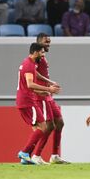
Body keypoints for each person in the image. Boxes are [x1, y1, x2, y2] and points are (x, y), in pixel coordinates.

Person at [16, 42, 60, 165]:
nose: (43, 55)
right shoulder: (29, 65)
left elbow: (28, 85)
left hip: (24, 100)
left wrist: (42, 91)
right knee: (43, 127)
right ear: (35, 52)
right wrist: (48, 89)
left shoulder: (27, 63)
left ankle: (25, 158)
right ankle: (24, 152)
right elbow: (29, 84)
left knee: (37, 129)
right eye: (41, 52)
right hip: (28, 101)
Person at [32, 33, 69, 164]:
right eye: (45, 41)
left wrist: (49, 81)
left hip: (48, 96)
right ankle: (36, 155)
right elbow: (32, 71)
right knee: (49, 126)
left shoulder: (43, 57)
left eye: (49, 42)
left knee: (60, 123)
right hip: (41, 96)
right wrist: (47, 84)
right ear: (38, 42)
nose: (48, 44)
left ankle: (54, 155)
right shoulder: (36, 57)